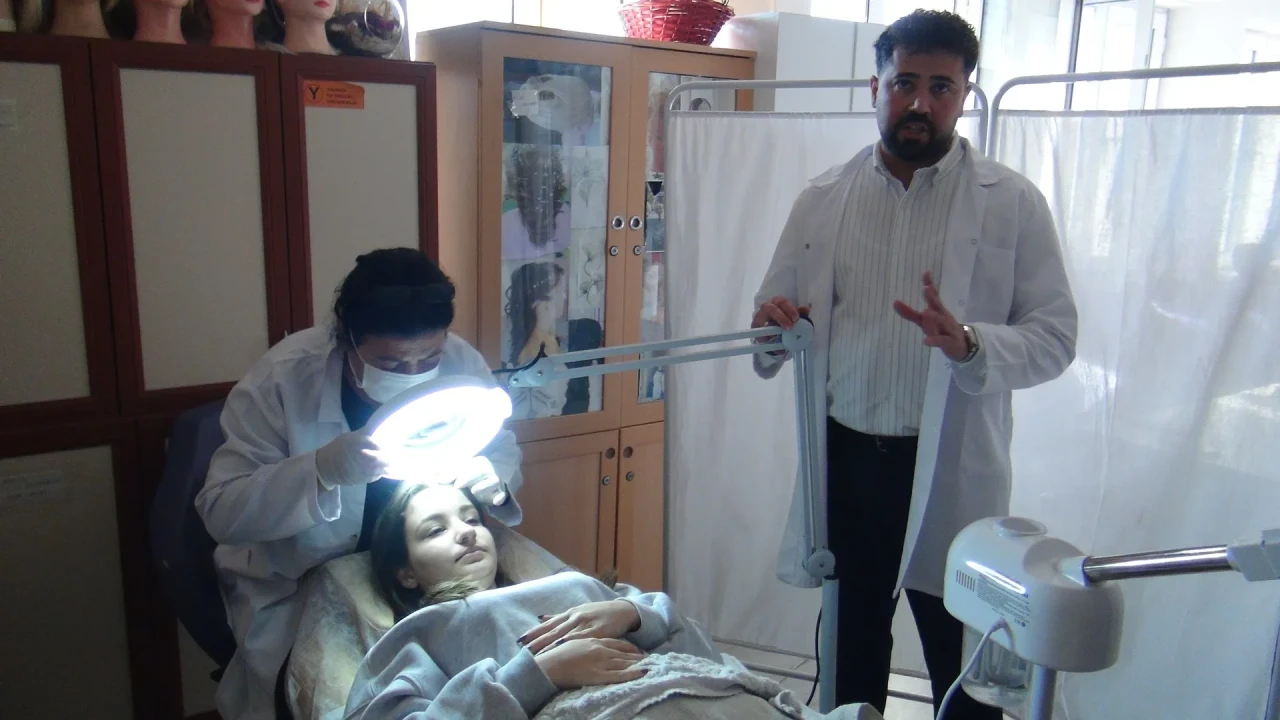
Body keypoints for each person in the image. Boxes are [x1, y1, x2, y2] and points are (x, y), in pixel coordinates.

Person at [750, 11, 1077, 719]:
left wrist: (971, 344)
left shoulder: (1011, 203)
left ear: (964, 95)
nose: (921, 103)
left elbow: (1055, 338)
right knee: (852, 654)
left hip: (951, 468)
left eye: (941, 86)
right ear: (876, 87)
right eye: (905, 83)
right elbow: (772, 335)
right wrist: (772, 330)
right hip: (848, 463)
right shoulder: (823, 200)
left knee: (963, 668)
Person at [196, 247, 524, 720]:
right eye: (392, 364)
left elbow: (501, 444)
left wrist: (495, 478)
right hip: (308, 580)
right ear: (345, 338)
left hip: (426, 569)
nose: (414, 375)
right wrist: (320, 471)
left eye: (427, 360)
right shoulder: (284, 380)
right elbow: (221, 511)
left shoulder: (458, 361)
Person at [345, 483, 861, 720]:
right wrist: (537, 674)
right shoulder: (421, 636)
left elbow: (706, 656)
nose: (465, 532)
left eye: (472, 518)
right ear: (405, 572)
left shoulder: (577, 587)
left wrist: (636, 615)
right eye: (435, 530)